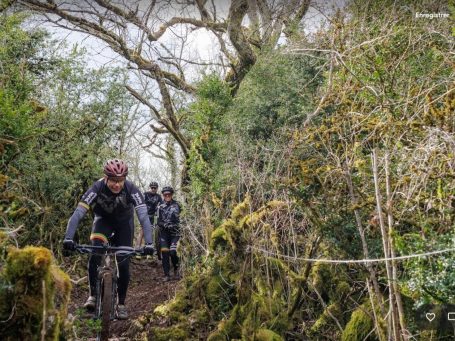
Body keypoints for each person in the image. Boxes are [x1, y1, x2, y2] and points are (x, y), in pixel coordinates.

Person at [62, 159, 154, 320]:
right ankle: (93, 295)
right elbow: (78, 213)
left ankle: (121, 304)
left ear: (124, 179)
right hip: (102, 222)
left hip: (124, 225)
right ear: (105, 178)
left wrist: (149, 243)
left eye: (120, 181)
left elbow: (144, 217)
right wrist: (68, 238)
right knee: (95, 253)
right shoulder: (96, 188)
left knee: (124, 264)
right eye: (113, 181)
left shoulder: (132, 189)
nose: (117, 185)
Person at [157, 186, 181, 282]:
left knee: (173, 251)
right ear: (163, 195)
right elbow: (158, 221)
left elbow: (183, 218)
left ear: (172, 195)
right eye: (165, 194)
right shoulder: (159, 206)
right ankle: (166, 275)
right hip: (164, 233)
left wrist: (176, 225)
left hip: (175, 233)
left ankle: (176, 269)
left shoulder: (178, 205)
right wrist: (165, 225)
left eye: (169, 194)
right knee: (165, 252)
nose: (167, 196)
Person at [136, 181, 163, 259]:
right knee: (142, 231)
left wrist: (160, 207)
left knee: (149, 232)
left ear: (157, 189)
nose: (153, 189)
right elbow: (139, 204)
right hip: (143, 215)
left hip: (151, 217)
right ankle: (138, 250)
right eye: (152, 188)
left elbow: (162, 205)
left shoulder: (158, 196)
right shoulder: (145, 194)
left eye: (155, 188)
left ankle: (148, 251)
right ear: (149, 188)